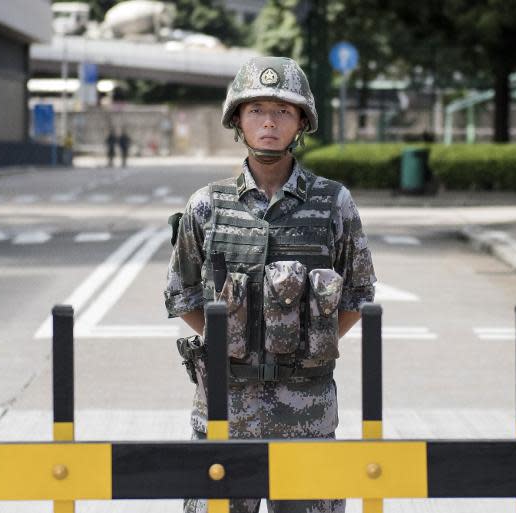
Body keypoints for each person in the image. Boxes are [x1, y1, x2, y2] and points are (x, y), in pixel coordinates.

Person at [164, 56, 376, 513]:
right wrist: (230, 343)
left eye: (283, 111)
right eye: (257, 109)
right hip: (225, 412)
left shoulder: (333, 203)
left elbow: (358, 295)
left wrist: (307, 346)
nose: (269, 122)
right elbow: (181, 295)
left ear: (301, 121)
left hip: (308, 412)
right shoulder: (206, 207)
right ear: (238, 120)